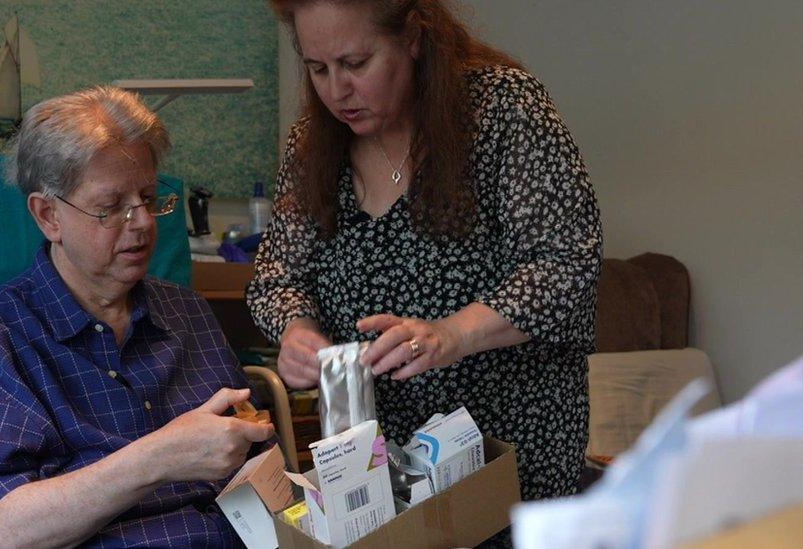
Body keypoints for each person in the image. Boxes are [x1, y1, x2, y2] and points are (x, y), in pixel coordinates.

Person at [248, 0, 602, 506]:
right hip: (375, 462)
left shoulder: (502, 109)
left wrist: (449, 335)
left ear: (413, 38)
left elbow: (565, 264)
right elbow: (276, 279)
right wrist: (297, 330)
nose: (336, 90)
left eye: (355, 63)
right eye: (317, 68)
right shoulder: (313, 142)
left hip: (511, 446)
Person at [0, 87, 274, 548]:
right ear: (48, 215)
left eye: (149, 198)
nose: (142, 223)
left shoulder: (187, 311)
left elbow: (261, 474)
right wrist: (156, 459)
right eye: (111, 207)